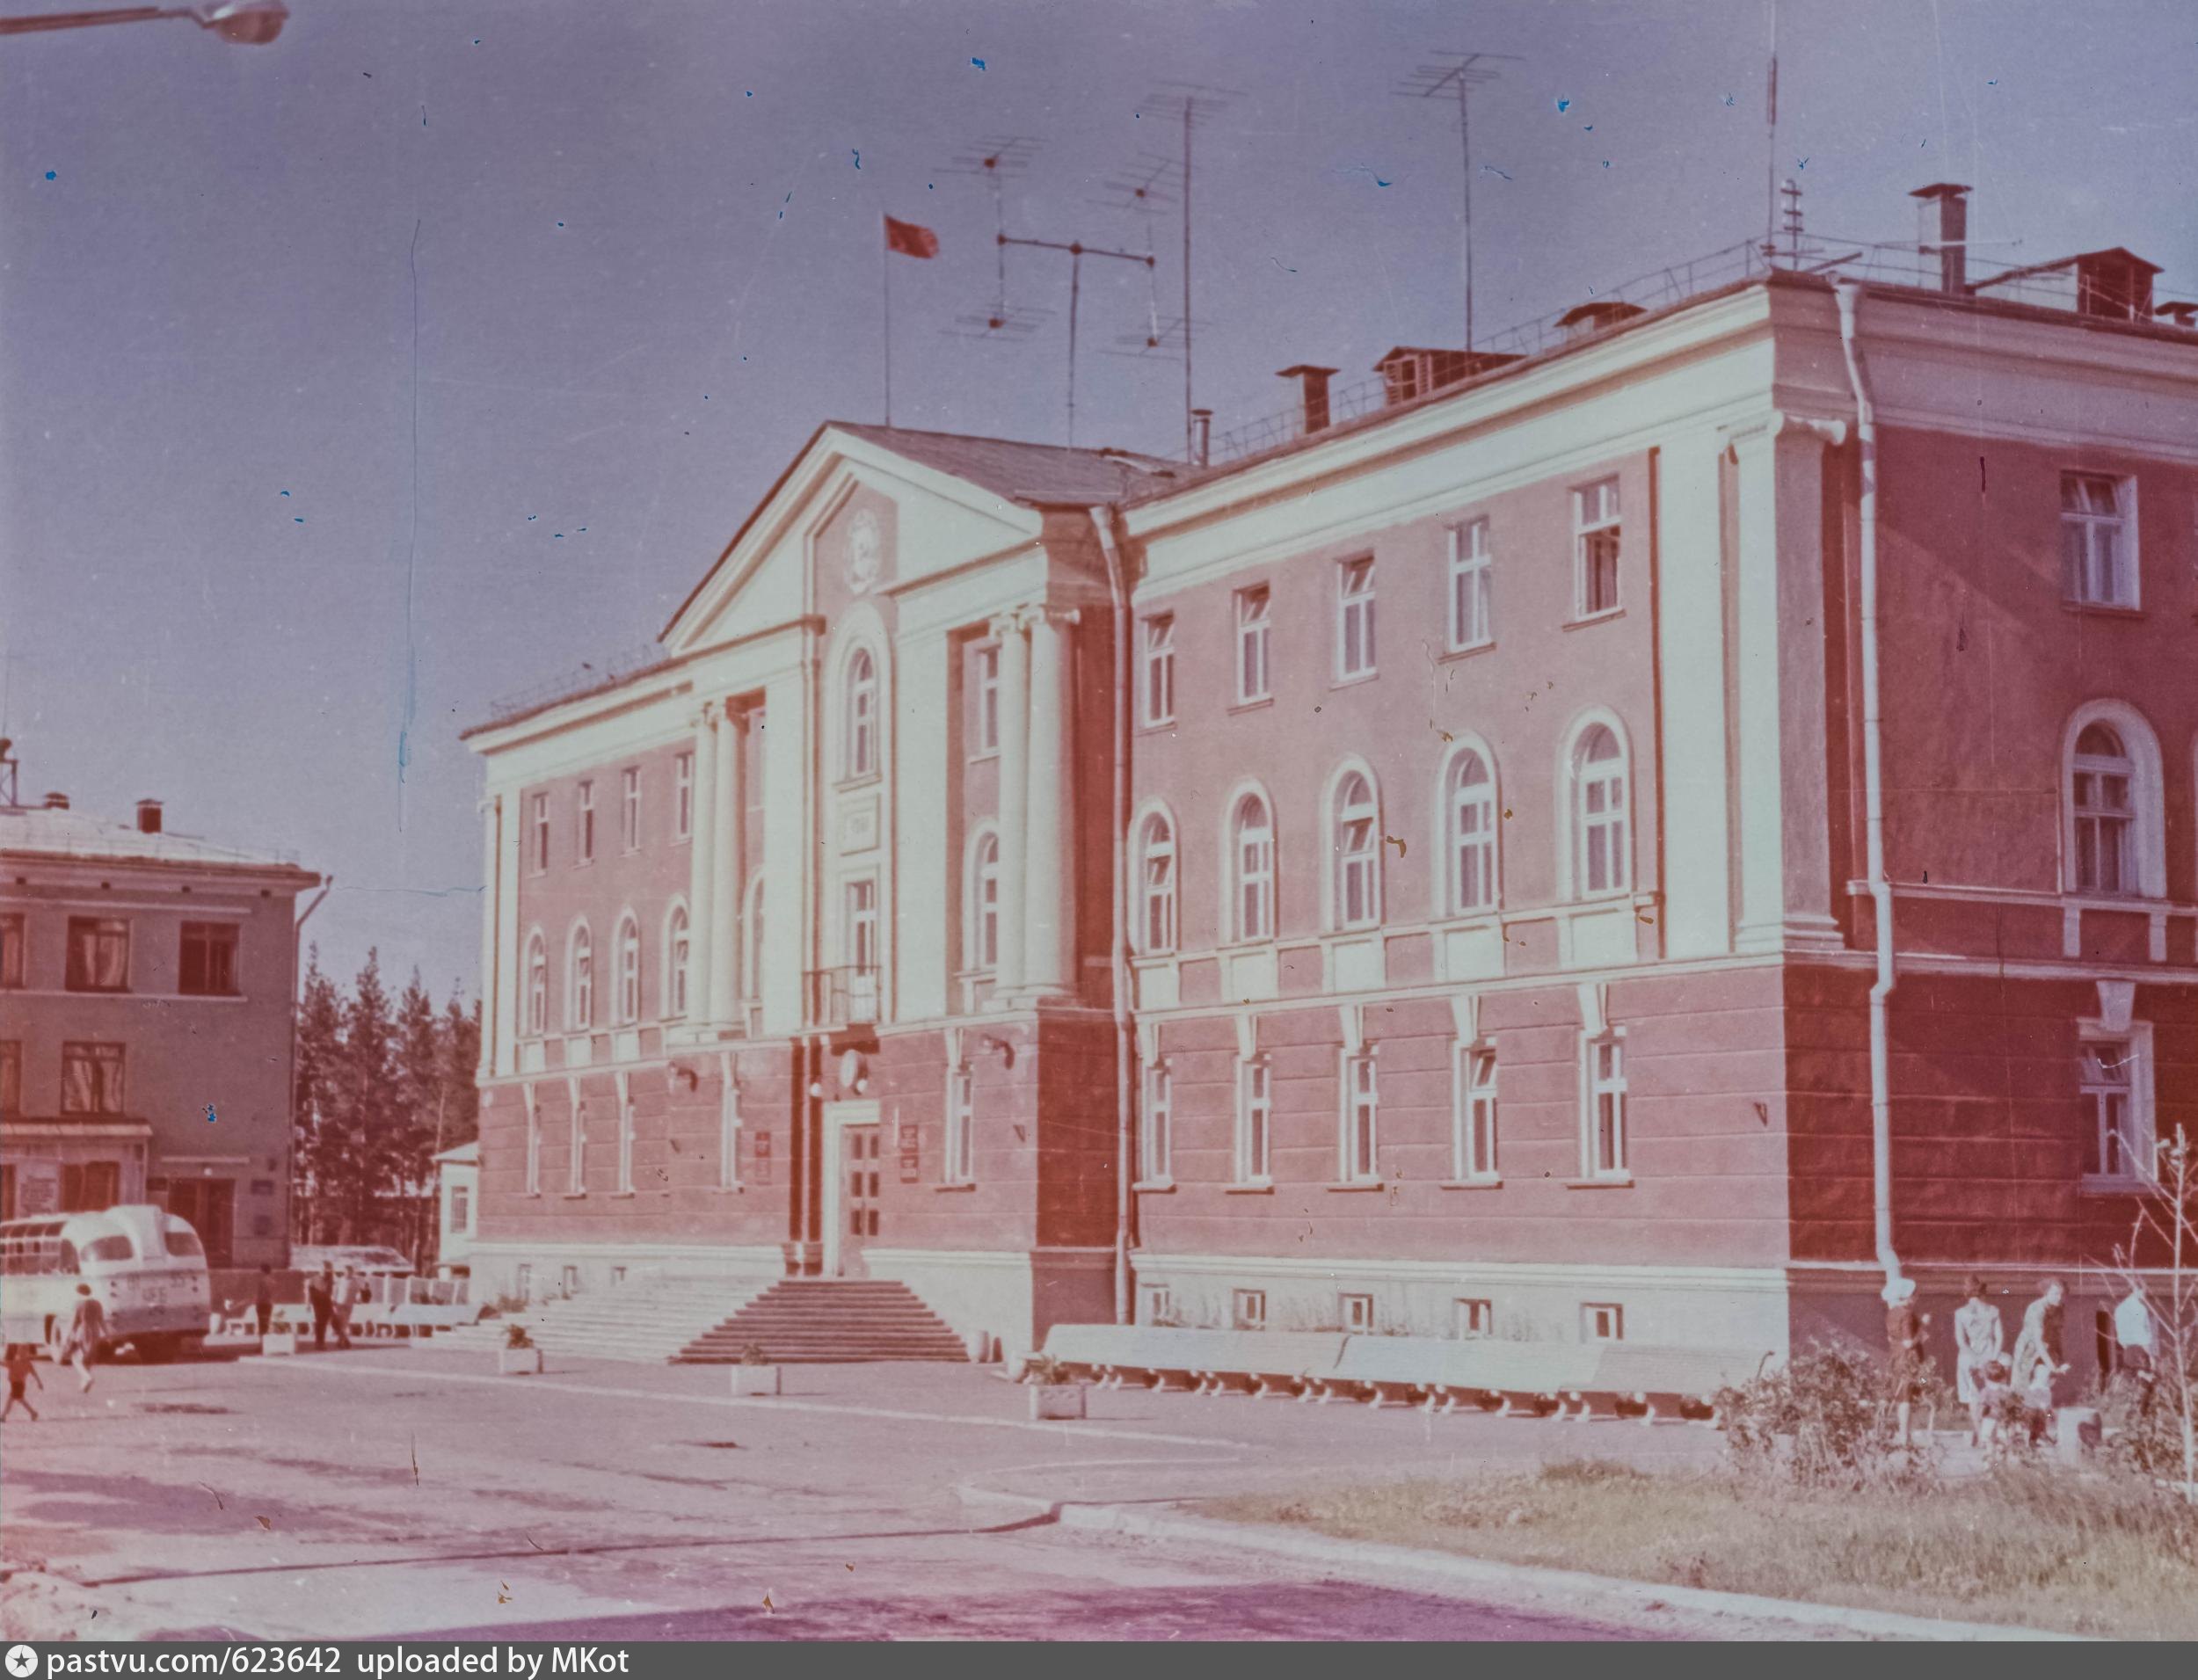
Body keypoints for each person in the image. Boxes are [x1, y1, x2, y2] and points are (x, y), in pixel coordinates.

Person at [2010, 1278, 2068, 1438]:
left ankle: (2042, 1430)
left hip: (2047, 1351)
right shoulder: (2037, 1310)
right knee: (2023, 1392)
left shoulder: (2058, 1308)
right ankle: (2018, 1432)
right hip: (2029, 1352)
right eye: (2055, 1294)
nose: (2059, 1297)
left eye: (2062, 1294)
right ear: (2046, 1293)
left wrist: (2059, 1359)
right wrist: (2053, 1367)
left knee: (2043, 1393)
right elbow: (2037, 1342)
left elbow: (2056, 1335)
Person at [1953, 1275, 2005, 1445]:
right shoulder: (1993, 1310)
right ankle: (1992, 1435)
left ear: (1966, 1293)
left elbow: (1961, 1341)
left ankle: (1980, 1433)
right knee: (1994, 1395)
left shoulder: (1960, 1313)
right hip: (1990, 1353)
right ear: (1983, 1292)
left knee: (1973, 1397)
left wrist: (1974, 1358)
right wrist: (1993, 1358)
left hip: (1969, 1357)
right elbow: (1999, 1337)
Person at [1882, 1275, 1927, 1447]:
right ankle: (1905, 1434)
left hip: (1895, 1357)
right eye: (1914, 1295)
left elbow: (1890, 1338)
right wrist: (1922, 1328)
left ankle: (1904, 1432)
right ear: (1906, 1296)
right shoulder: (1908, 1315)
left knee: (1902, 1396)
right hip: (1909, 1360)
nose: (1916, 1298)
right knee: (1909, 1396)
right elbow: (1909, 1342)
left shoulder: (1891, 1313)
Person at [2114, 1281, 2157, 1415]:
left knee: (2133, 1385)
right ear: (2136, 1289)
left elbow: (2120, 1333)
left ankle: (2133, 1416)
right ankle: (2143, 1416)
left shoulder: (2120, 1308)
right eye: (2144, 1290)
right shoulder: (2139, 1309)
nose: (2145, 1293)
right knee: (2147, 1385)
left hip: (2128, 1350)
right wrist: (2150, 1355)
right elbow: (2141, 1334)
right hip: (2140, 1350)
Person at [62, 1283, 106, 1393]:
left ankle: (87, 1378)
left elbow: (73, 1322)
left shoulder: (78, 1304)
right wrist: (106, 1333)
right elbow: (101, 1320)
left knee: (76, 1359)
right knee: (89, 1358)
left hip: (83, 1331)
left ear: (79, 1292)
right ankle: (84, 1384)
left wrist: (67, 1335)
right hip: (95, 1331)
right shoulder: (97, 1303)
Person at [2, 1344, 41, 1422]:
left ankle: (3, 1415)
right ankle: (33, 1413)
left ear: (27, 1353)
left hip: (18, 1384)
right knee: (20, 1400)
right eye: (20, 1351)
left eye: (23, 1351)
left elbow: (34, 1373)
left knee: (11, 1399)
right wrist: (39, 1382)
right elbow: (5, 1364)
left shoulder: (25, 1363)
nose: (21, 1353)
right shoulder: (18, 1361)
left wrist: (39, 1382)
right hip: (16, 1384)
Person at [308, 1264, 335, 1350]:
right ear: (320, 1270)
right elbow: (309, 1292)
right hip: (318, 1304)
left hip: (327, 1303)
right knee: (319, 1323)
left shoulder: (330, 1279)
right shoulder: (313, 1279)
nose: (325, 1272)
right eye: (324, 1270)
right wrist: (308, 1304)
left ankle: (321, 1342)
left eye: (327, 1270)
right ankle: (319, 1342)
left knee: (325, 1323)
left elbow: (331, 1292)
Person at [254, 1265, 276, 1338]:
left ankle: (262, 1344)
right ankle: (265, 1343)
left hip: (262, 1304)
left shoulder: (262, 1281)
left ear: (263, 1271)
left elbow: (263, 1293)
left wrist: (257, 1302)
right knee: (266, 1322)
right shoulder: (273, 1282)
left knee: (261, 1324)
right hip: (269, 1304)